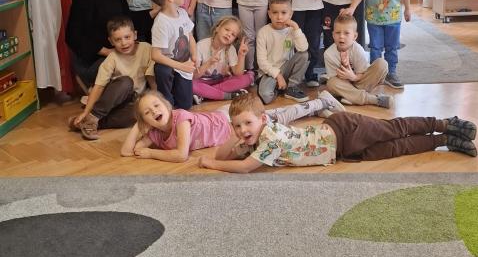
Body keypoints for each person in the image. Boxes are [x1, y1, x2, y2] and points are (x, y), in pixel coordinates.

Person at [198, 91, 477, 172]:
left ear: (262, 119)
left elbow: (245, 167)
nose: (242, 129)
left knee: (395, 129)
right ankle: (446, 140)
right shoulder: (253, 140)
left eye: (247, 123)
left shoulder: (269, 138)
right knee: (397, 148)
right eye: (237, 125)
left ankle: (444, 124)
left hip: (345, 130)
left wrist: (212, 164)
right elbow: (225, 154)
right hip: (344, 152)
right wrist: (235, 137)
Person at [122, 88, 341, 163]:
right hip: (229, 126)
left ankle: (321, 101)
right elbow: (127, 151)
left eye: (156, 106)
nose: (154, 112)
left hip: (227, 119)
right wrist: (138, 126)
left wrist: (150, 154)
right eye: (147, 113)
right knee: (278, 116)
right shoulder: (155, 133)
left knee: (279, 116)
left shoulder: (181, 119)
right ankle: (317, 109)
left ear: (167, 105)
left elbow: (181, 155)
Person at [68, 16, 155, 140]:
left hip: (132, 100)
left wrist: (159, 101)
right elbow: (99, 87)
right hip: (111, 99)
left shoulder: (146, 49)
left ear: (135, 35)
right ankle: (92, 117)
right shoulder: (112, 58)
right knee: (126, 82)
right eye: (118, 39)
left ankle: (87, 123)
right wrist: (87, 112)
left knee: (139, 113)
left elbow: (151, 78)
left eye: (127, 37)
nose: (124, 43)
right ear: (111, 41)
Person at [66, 0, 131, 89]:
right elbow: (73, 36)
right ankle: (92, 91)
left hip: (115, 53)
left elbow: (127, 21)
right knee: (126, 80)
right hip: (92, 61)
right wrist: (109, 52)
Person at [149, 0, 195, 110]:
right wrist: (181, 66)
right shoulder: (161, 22)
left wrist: (195, 55)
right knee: (162, 70)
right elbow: (155, 55)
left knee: (185, 105)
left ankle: (175, 97)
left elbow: (190, 36)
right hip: (169, 65)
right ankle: (166, 103)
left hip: (183, 67)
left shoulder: (183, 13)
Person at [324, 15, 390, 108]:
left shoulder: (358, 49)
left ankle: (351, 96)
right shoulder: (328, 54)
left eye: (346, 33)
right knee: (331, 83)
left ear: (354, 36)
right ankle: (372, 99)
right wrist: (345, 66)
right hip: (344, 85)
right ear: (333, 35)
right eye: (338, 33)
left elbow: (362, 74)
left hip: (360, 82)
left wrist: (353, 77)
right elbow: (334, 79)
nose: (341, 36)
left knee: (382, 64)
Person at [256, 0, 309, 104]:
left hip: (286, 68)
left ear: (290, 14)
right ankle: (278, 88)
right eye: (275, 12)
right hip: (270, 71)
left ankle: (291, 87)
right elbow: (262, 62)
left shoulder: (292, 30)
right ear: (269, 14)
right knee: (266, 96)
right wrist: (278, 76)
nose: (279, 17)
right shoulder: (263, 32)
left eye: (284, 13)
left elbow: (303, 48)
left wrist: (296, 27)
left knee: (304, 54)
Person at [193, 16, 254, 102]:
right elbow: (195, 75)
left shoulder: (231, 49)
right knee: (191, 85)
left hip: (221, 81)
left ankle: (206, 93)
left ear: (234, 40)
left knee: (247, 78)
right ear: (217, 28)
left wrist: (241, 55)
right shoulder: (201, 45)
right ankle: (225, 95)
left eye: (233, 35)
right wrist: (209, 62)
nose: (229, 34)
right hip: (202, 81)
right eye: (227, 30)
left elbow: (238, 73)